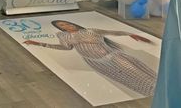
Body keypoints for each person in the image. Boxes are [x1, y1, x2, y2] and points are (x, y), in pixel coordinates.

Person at [23, 20, 157, 96]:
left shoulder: (91, 30)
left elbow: (112, 32)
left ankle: (160, 86)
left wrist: (130, 34)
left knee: (134, 70)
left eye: (67, 23)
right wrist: (40, 43)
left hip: (112, 55)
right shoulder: (63, 36)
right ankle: (151, 92)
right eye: (62, 26)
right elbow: (66, 48)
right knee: (125, 78)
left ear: (73, 24)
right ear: (60, 28)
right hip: (96, 62)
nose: (67, 26)